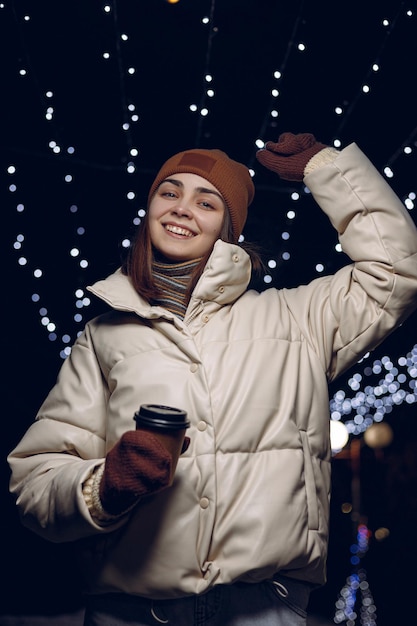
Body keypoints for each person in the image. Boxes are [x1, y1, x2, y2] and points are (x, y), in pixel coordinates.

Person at [8, 132, 417, 626]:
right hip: (132, 612)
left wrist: (327, 170)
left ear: (229, 229)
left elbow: (397, 269)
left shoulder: (296, 320)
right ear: (151, 209)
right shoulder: (104, 338)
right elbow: (34, 481)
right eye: (170, 192)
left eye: (207, 202)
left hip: (265, 609)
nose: (183, 208)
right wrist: (105, 487)